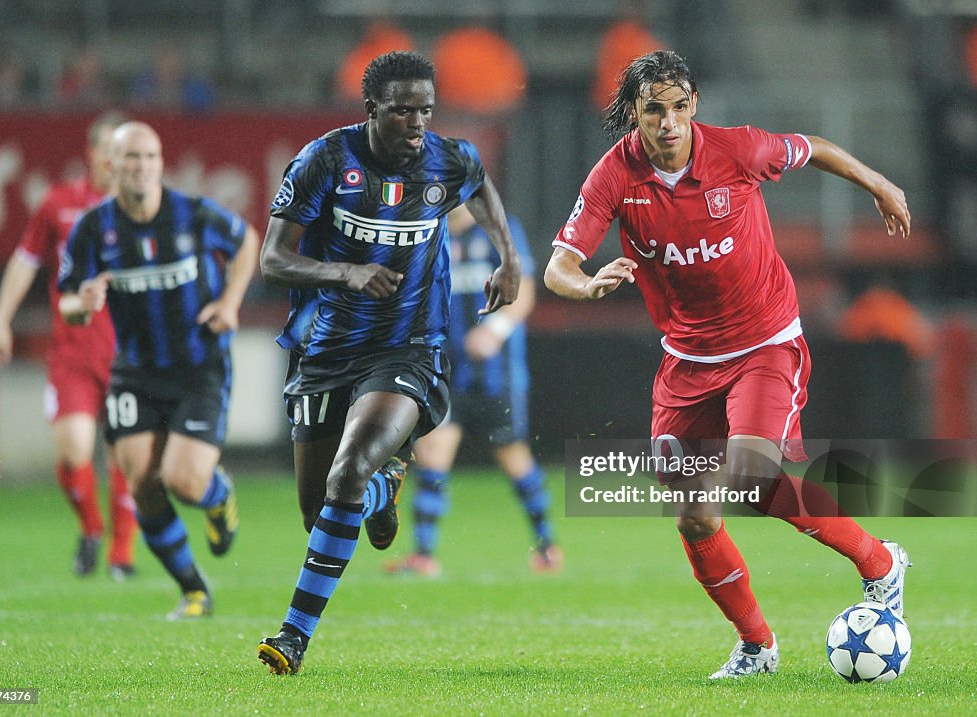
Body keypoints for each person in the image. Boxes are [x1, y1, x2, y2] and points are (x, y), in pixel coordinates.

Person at [544, 50, 912, 679]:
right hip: (687, 360)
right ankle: (757, 646)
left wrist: (879, 183)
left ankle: (879, 562)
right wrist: (588, 285)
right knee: (692, 513)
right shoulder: (613, 177)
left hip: (766, 342)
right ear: (632, 112)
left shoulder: (738, 150)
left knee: (753, 477)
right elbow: (558, 268)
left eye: (679, 107)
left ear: (694, 107)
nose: (668, 122)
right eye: (653, 109)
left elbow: (814, 146)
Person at [255, 50, 521, 675]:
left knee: (346, 472)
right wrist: (346, 271)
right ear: (371, 109)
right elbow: (273, 258)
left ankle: (294, 636)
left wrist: (508, 257)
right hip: (326, 349)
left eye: (425, 110)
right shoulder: (325, 160)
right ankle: (382, 492)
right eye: (402, 111)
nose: (416, 123)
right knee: (319, 510)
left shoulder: (446, 157)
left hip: (410, 345)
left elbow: (478, 181)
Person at [57, 121, 259, 620]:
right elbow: (67, 300)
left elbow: (248, 241)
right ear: (110, 166)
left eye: (150, 157)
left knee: (185, 481)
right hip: (136, 371)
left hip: (198, 364)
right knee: (142, 482)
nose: (142, 167)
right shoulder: (93, 229)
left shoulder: (192, 214)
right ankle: (193, 590)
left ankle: (217, 495)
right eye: (131, 158)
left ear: (161, 163)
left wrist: (231, 302)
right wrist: (80, 306)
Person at [0, 112, 138, 579]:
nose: (116, 160)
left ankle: (121, 555)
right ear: (92, 153)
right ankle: (91, 527)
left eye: (124, 152)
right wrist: (0, 319)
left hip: (129, 354)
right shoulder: (59, 203)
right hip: (72, 351)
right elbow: (26, 260)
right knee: (74, 450)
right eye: (109, 149)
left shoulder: (142, 210)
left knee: (125, 456)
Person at [384, 205, 561, 577]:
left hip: (497, 374)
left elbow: (525, 291)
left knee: (513, 456)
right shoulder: (427, 234)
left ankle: (547, 546)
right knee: (432, 454)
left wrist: (494, 331)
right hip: (445, 371)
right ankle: (424, 555)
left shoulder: (498, 228)